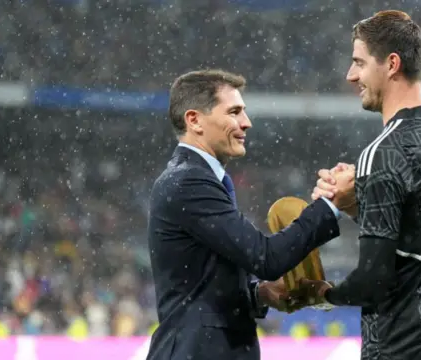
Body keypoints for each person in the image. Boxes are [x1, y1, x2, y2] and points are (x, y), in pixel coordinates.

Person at [299, 10, 421, 360]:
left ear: (392, 64)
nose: (351, 75)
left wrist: (323, 295)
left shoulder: (384, 152)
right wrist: (358, 201)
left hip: (408, 343)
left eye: (359, 62)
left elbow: (373, 280)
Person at [146, 69, 347, 360]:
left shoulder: (196, 179)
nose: (246, 122)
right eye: (234, 112)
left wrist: (260, 293)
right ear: (194, 120)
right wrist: (332, 203)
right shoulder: (188, 182)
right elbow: (266, 258)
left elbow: (204, 286)